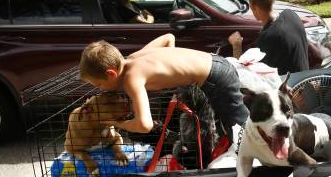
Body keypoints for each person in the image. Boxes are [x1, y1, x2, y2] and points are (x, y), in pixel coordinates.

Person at [79, 34, 249, 138]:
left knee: (241, 130)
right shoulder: (134, 57)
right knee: (227, 125)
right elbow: (168, 38)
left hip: (217, 77)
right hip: (216, 62)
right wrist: (176, 78)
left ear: (111, 73)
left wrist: (118, 123)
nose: (100, 89)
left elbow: (145, 125)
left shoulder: (131, 79)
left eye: (99, 84)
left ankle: (264, 168)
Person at [228, 0, 308, 75]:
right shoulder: (290, 14)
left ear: (254, 6)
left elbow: (244, 75)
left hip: (289, 86)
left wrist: (236, 45)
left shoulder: (268, 38)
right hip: (303, 79)